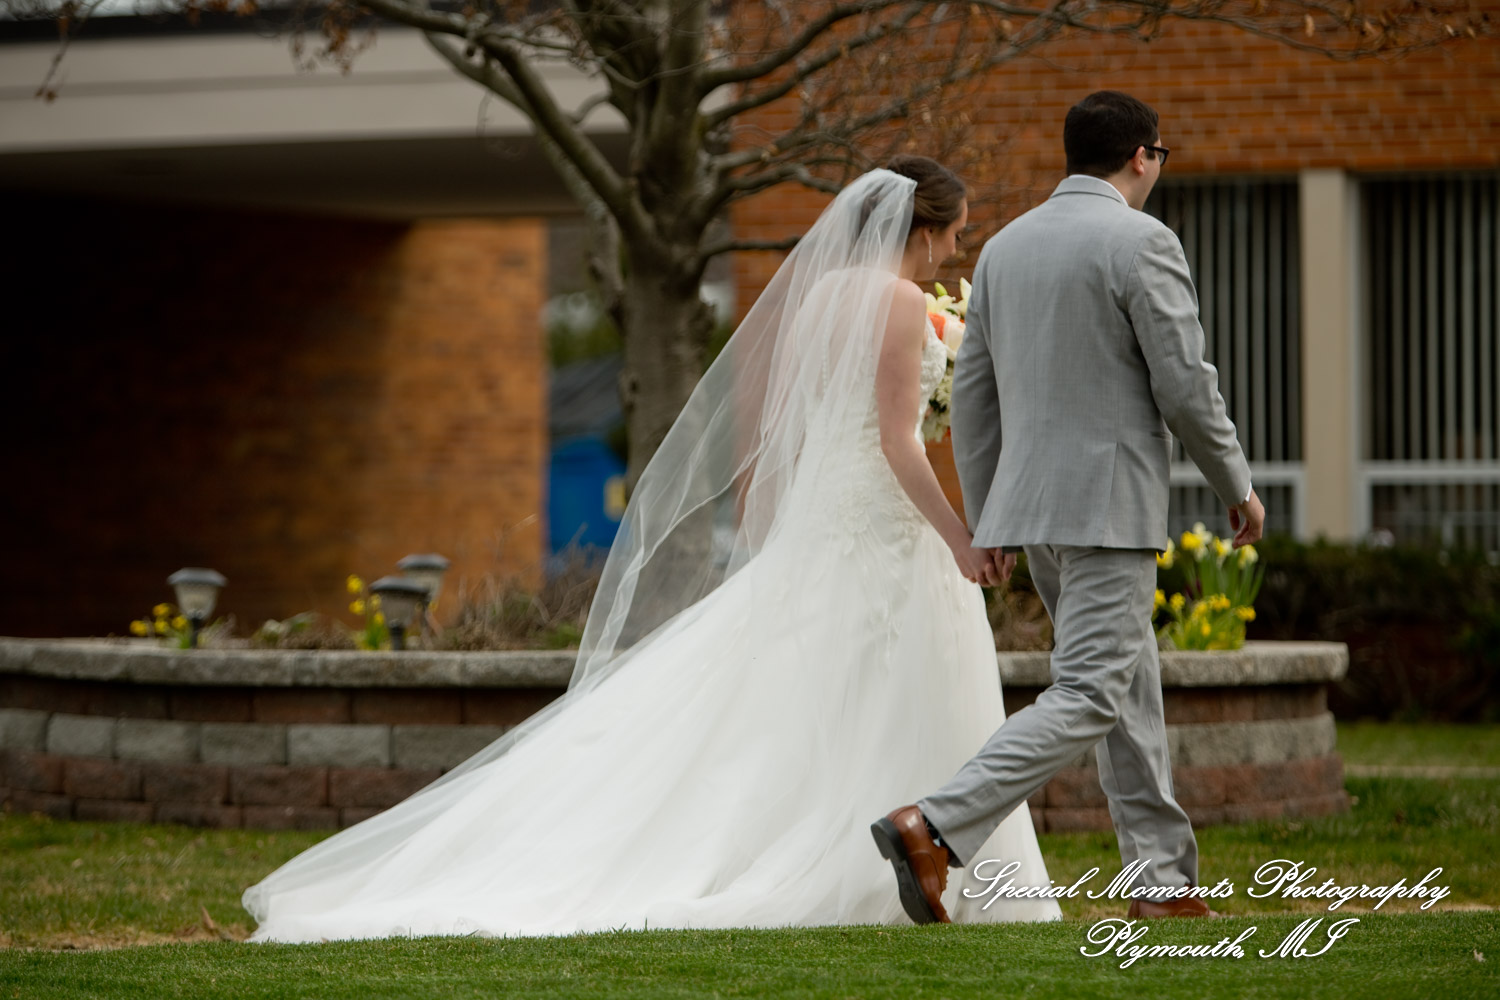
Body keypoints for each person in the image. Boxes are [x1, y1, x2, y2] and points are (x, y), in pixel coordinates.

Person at [242, 157, 1063, 942]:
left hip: (832, 515)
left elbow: (808, 425)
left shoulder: (821, 299)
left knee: (820, 689)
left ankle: (882, 853)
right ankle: (889, 860)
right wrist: (960, 535)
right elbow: (896, 440)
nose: (956, 249)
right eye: (953, 232)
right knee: (885, 680)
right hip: (879, 517)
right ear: (920, 231)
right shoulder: (894, 301)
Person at [872, 91, 1265, 925]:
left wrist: (988, 515)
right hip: (1107, 510)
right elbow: (1186, 384)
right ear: (1141, 157)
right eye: (1161, 155)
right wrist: (1234, 481)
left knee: (1129, 685)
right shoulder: (1143, 241)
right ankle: (935, 825)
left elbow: (973, 399)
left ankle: (1162, 884)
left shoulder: (1008, 248)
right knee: (1092, 690)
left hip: (1035, 511)